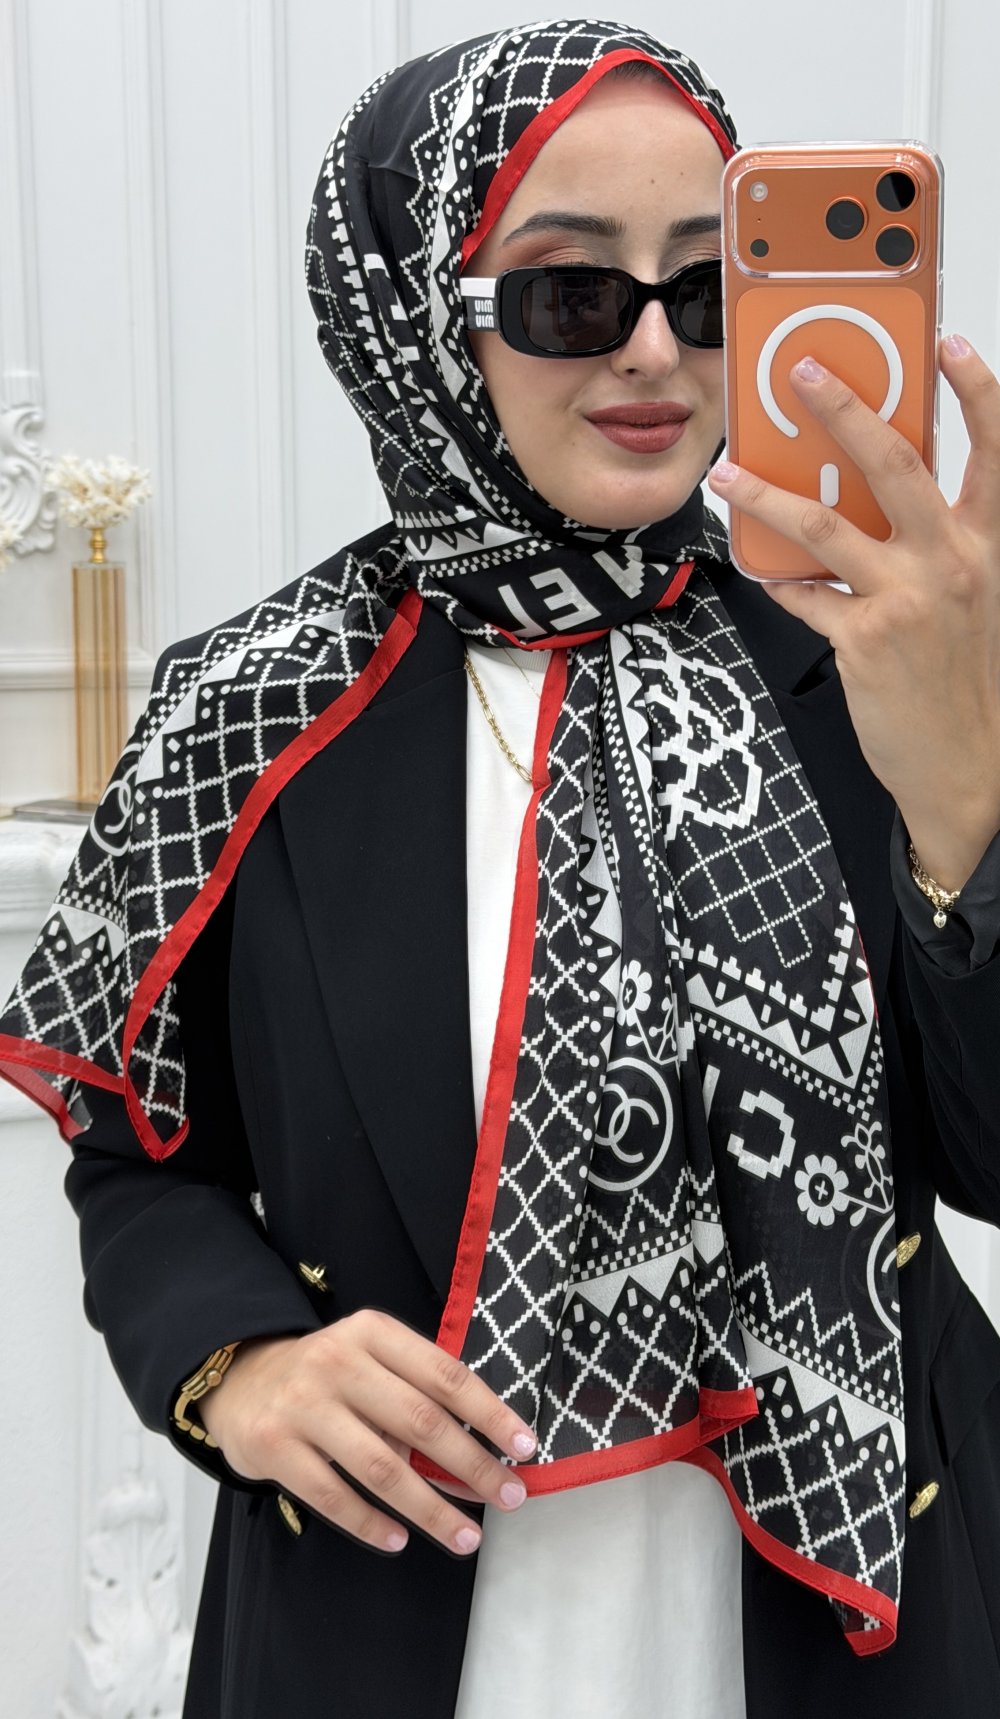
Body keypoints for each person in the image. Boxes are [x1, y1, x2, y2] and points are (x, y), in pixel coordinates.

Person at [2, 18, 999, 1719]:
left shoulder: (871, 673)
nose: (657, 352)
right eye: (568, 294)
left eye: (710, 286)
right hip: (393, 1609)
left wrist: (965, 809)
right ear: (413, 319)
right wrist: (238, 1362)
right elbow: (139, 1159)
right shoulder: (254, 713)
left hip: (834, 1621)